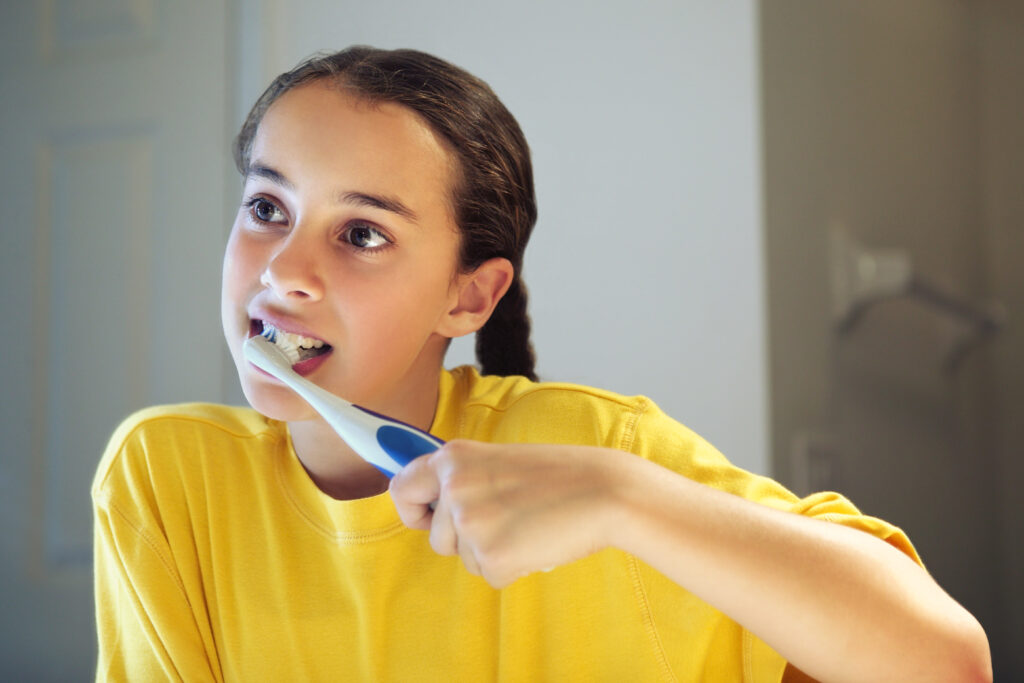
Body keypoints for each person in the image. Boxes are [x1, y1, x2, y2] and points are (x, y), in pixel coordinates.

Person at [92, 46, 990, 682]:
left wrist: (624, 499)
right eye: (266, 207)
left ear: (469, 296)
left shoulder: (598, 450)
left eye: (361, 233)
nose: (284, 271)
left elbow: (946, 663)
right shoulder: (167, 480)